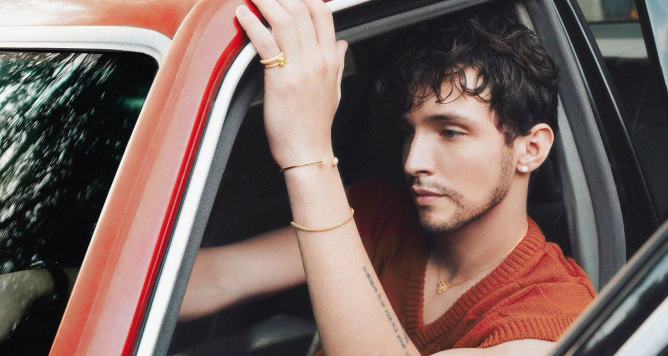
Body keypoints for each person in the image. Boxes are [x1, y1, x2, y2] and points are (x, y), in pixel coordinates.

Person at [180, 0, 595, 355]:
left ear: (530, 149)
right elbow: (219, 278)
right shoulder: (378, 215)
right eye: (409, 132)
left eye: (450, 132)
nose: (413, 161)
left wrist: (308, 155)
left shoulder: (557, 316)